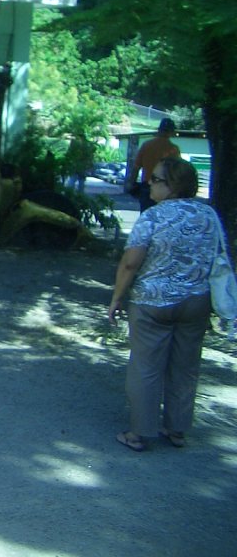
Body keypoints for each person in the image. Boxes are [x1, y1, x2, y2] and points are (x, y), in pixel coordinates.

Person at [108, 157, 218, 452]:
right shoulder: (209, 216)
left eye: (155, 179)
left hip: (152, 302)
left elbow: (131, 263)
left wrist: (117, 297)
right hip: (196, 302)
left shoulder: (153, 217)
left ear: (173, 185)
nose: (149, 183)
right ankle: (176, 429)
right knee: (185, 366)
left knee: (146, 366)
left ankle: (140, 434)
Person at [125, 118, 181, 212]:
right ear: (171, 132)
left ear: (159, 130)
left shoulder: (146, 145)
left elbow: (136, 167)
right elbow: (177, 171)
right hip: (165, 188)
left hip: (147, 186)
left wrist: (131, 183)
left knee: (146, 215)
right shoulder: (174, 149)